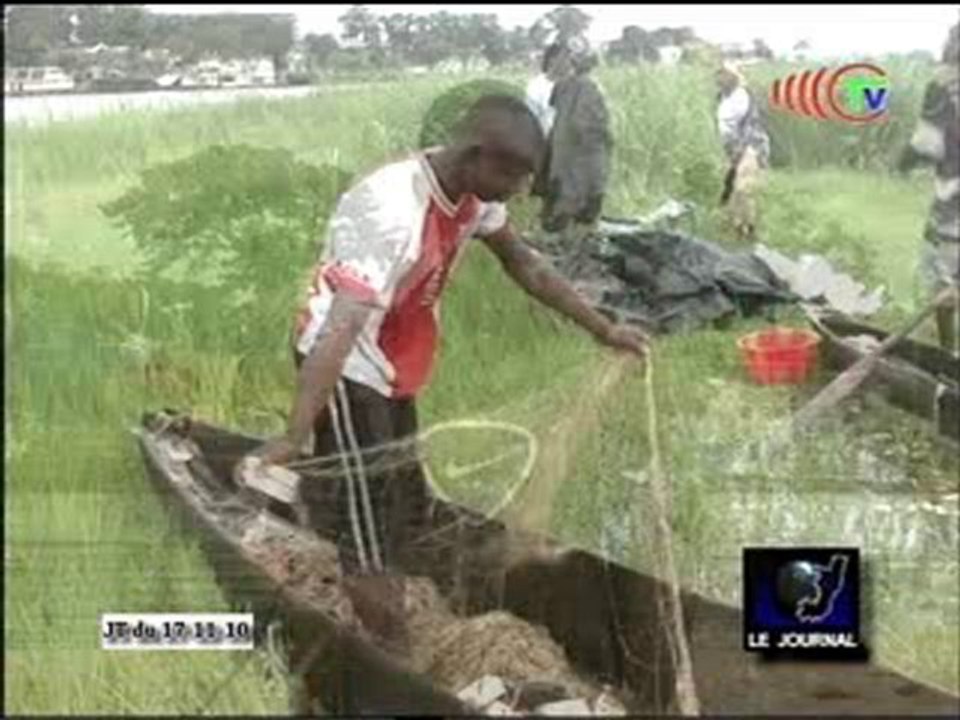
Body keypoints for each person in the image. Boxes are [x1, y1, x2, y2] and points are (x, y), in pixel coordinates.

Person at [235, 94, 648, 693]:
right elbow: (340, 327)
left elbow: (526, 266)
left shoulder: (472, 194)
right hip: (346, 362)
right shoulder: (388, 206)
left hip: (392, 361)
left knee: (400, 495)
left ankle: (353, 549)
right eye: (514, 177)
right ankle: (399, 669)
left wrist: (603, 327)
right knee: (368, 526)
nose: (519, 192)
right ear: (478, 155)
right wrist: (297, 433)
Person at [898, 23, 959, 355]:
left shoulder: (944, 82)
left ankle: (949, 354)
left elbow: (927, 143)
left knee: (943, 277)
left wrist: (903, 163)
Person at [540, 36, 613, 261]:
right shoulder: (572, 88)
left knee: (573, 209)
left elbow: (588, 128)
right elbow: (585, 127)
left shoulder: (577, 88)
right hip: (574, 159)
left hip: (574, 159)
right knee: (573, 210)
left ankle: (570, 252)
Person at [715, 62, 770, 243]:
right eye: (720, 74)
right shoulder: (721, 98)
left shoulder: (742, 95)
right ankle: (739, 228)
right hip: (733, 148)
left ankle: (749, 229)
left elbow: (744, 125)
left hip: (751, 146)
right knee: (733, 191)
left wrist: (741, 151)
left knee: (743, 188)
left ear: (734, 77)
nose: (721, 78)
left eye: (726, 74)